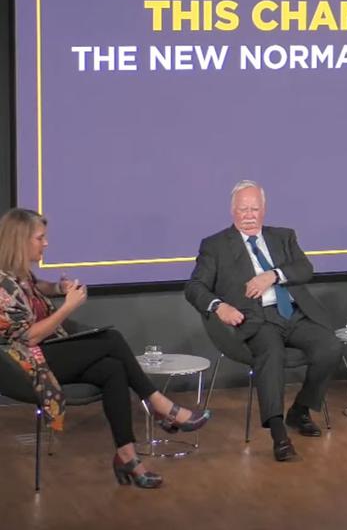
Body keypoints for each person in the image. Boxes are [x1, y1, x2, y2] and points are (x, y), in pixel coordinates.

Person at [0, 208, 210, 489]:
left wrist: (60, 288)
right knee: (110, 339)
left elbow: (37, 288)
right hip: (23, 363)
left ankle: (127, 456)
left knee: (112, 369)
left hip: (42, 353)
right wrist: (68, 307)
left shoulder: (20, 273)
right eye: (40, 238)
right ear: (21, 240)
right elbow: (29, 337)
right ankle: (159, 404)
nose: (46, 243)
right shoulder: (1, 284)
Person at [185, 180, 340, 461]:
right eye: (243, 209)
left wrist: (274, 275)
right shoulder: (216, 245)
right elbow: (195, 287)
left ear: (264, 210)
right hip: (255, 320)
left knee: (329, 346)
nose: (249, 214)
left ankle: (300, 410)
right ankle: (278, 434)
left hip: (292, 314)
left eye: (254, 208)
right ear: (233, 211)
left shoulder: (283, 236)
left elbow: (305, 269)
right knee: (272, 353)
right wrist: (218, 306)